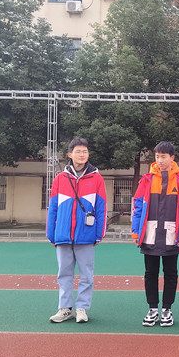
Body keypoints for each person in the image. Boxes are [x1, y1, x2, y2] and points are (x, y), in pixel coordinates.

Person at [131, 141, 179, 327]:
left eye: (163, 157)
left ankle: (167, 309)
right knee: (150, 273)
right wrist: (135, 232)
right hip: (149, 235)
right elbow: (137, 207)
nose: (159, 160)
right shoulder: (146, 180)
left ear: (172, 158)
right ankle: (152, 309)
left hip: (172, 235)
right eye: (157, 156)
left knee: (171, 273)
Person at [47, 137, 107, 323]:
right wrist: (51, 233)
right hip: (63, 235)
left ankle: (82, 308)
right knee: (64, 274)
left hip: (86, 235)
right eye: (78, 151)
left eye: (85, 151)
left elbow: (101, 209)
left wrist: (99, 234)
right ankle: (65, 309)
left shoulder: (96, 178)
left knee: (86, 275)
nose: (82, 155)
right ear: (69, 154)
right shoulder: (60, 178)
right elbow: (53, 208)